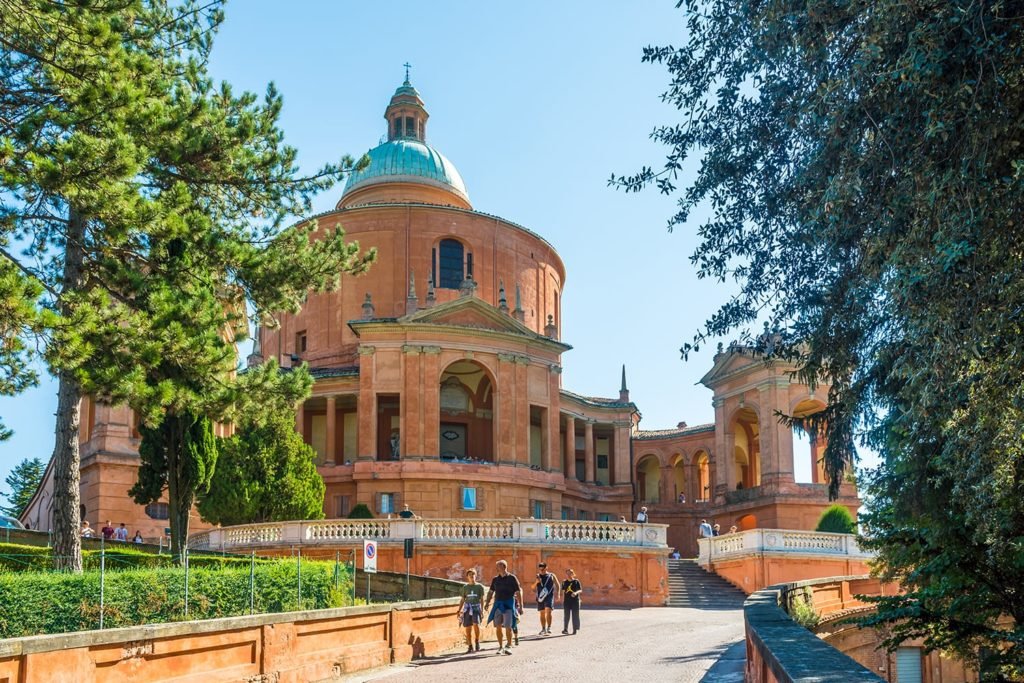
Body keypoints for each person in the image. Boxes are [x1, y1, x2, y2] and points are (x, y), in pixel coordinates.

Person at [483, 559, 523, 655]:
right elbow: (491, 592)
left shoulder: (512, 578)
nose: (497, 568)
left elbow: (518, 592)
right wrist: (487, 602)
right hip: (498, 605)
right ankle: (500, 646)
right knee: (498, 627)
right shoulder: (495, 579)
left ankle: (509, 645)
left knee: (508, 627)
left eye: (499, 566)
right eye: (497, 566)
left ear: (504, 567)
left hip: (508, 605)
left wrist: (521, 606)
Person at [456, 568, 485, 653]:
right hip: (467, 609)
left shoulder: (479, 587)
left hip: (476, 608)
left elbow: (482, 599)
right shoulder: (465, 587)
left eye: (473, 574)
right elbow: (462, 599)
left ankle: (477, 641)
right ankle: (470, 645)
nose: (472, 576)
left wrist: (482, 610)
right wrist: (459, 609)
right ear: (467, 577)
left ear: (476, 576)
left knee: (476, 624)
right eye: (470, 575)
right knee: (468, 628)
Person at [534, 562, 557, 635]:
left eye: (543, 569)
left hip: (549, 596)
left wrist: (559, 593)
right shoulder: (538, 576)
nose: (541, 570)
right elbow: (532, 588)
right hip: (540, 597)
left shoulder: (551, 575)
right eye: (540, 569)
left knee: (548, 611)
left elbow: (557, 584)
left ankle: (549, 628)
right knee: (542, 613)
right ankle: (543, 629)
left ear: (546, 567)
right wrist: (536, 582)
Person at [560, 568, 582, 635]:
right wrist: (562, 599)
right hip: (567, 601)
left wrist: (575, 593)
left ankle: (574, 630)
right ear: (566, 574)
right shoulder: (564, 582)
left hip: (575, 601)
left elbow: (580, 590)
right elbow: (563, 591)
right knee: (566, 615)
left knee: (575, 615)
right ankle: (565, 629)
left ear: (573, 574)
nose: (569, 575)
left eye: (570, 573)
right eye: (567, 573)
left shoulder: (576, 581)